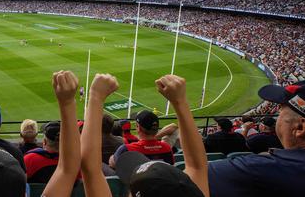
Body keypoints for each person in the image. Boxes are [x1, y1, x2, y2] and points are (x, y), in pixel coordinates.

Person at [81, 73, 209, 197]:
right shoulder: (166, 149)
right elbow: (197, 166)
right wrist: (180, 102)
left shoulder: (126, 147)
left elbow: (90, 168)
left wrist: (95, 97)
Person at [208, 81, 305, 196]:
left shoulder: (260, 168)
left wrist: (182, 106)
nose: (277, 115)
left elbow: (194, 178)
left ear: (300, 127)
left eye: (281, 109)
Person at [109, 110, 174, 167]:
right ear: (157, 129)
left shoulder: (126, 149)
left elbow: (112, 164)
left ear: (139, 128)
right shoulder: (167, 148)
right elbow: (171, 166)